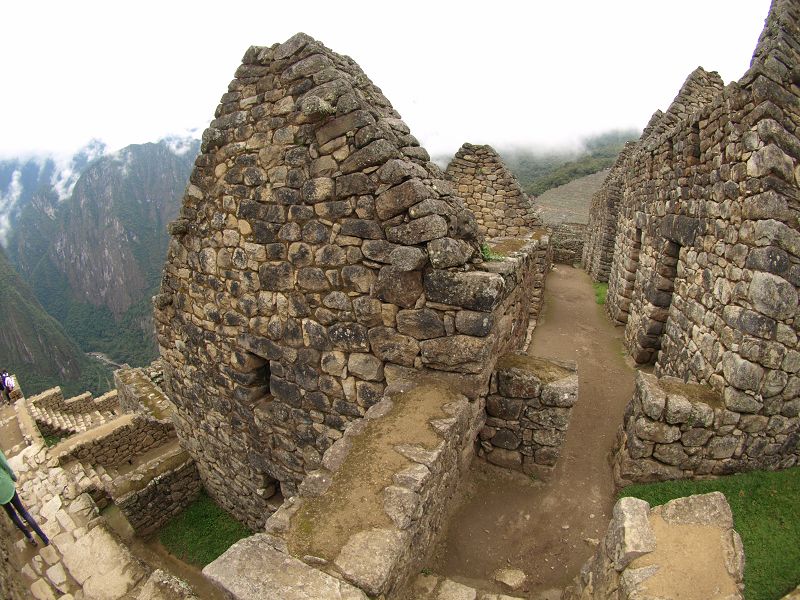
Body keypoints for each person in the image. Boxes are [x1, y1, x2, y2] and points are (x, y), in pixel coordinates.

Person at [0, 448, 49, 546]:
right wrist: (12, 476)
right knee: (23, 512)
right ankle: (44, 538)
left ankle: (29, 537)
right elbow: (5, 465)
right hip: (7, 485)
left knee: (12, 515)